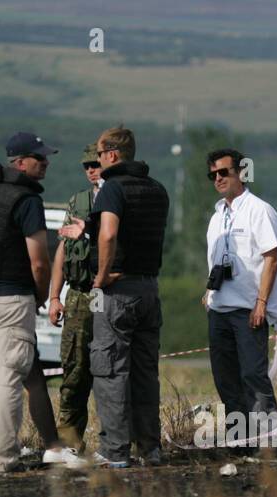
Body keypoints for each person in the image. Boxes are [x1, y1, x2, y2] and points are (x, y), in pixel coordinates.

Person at [0, 132, 80, 473]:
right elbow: (39, 260)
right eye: (40, 158)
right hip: (11, 299)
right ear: (20, 163)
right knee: (8, 378)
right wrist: (40, 295)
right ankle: (6, 459)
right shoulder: (27, 201)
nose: (47, 162)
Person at [84, 126, 170, 468]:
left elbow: (108, 234)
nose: (97, 160)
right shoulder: (158, 190)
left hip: (117, 292)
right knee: (145, 372)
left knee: (110, 371)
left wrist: (102, 276)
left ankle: (115, 451)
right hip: (150, 289)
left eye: (100, 154)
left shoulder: (111, 189)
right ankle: (150, 447)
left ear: (113, 155)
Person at [201, 146, 277, 432]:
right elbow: (217, 260)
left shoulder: (258, 210)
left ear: (241, 173)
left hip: (248, 309)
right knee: (225, 380)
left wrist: (262, 302)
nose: (218, 179)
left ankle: (272, 440)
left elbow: (271, 258)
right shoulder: (216, 216)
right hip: (219, 309)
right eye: (213, 175)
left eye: (224, 172)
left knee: (253, 376)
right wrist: (209, 291)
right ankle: (241, 439)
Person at [48, 143, 104, 453]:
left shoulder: (116, 198)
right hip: (79, 295)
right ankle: (69, 438)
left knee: (112, 369)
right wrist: (55, 296)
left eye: (96, 163)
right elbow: (63, 250)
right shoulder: (78, 202)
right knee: (74, 368)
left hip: (107, 294)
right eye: (87, 166)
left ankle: (117, 439)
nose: (91, 170)